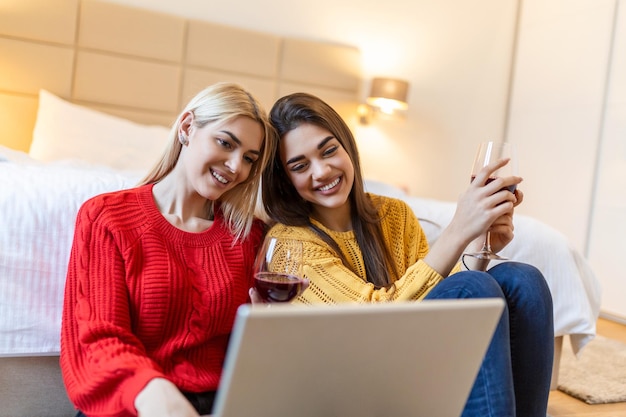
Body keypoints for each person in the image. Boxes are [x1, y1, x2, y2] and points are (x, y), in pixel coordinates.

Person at [257, 92, 554, 417]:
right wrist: (458, 229)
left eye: (329, 151)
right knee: (474, 288)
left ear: (347, 146)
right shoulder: (290, 243)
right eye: (300, 166)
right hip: (353, 384)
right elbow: (372, 321)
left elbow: (439, 301)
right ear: (285, 180)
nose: (322, 171)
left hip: (412, 362)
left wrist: (482, 249)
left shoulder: (393, 214)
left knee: (522, 278)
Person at [60, 82, 276, 417]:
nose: (236, 168)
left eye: (249, 158)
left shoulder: (248, 236)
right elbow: (99, 336)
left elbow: (248, 354)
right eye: (225, 143)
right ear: (188, 127)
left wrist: (261, 330)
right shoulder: (106, 217)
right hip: (138, 402)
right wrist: (154, 391)